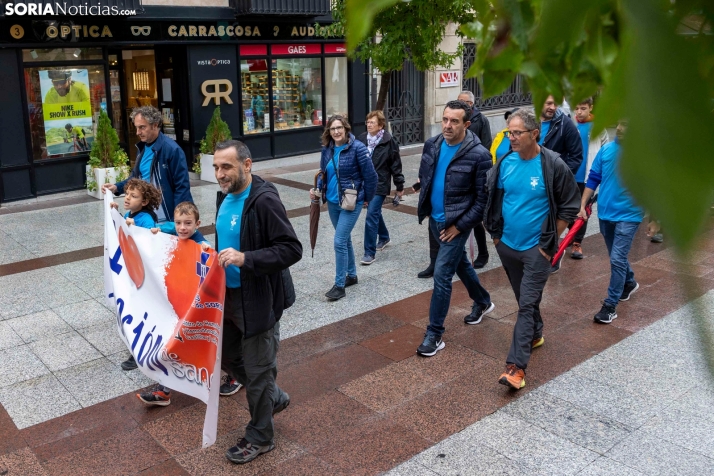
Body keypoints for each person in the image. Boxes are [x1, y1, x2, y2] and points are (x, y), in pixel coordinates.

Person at [213, 140, 302, 464]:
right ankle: (272, 396)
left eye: (227, 167)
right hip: (228, 297)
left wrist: (246, 258)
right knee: (226, 357)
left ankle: (261, 436)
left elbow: (291, 248)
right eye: (216, 167)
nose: (220, 174)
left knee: (258, 370)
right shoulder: (223, 195)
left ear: (247, 165)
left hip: (259, 300)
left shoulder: (264, 200)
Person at [484, 108, 580, 390]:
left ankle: (515, 368)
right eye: (508, 133)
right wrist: (496, 238)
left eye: (516, 133)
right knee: (524, 299)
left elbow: (570, 206)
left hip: (537, 250)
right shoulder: (505, 162)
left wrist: (548, 242)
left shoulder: (552, 165)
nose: (511, 138)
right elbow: (494, 200)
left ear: (534, 134)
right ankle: (536, 333)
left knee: (526, 305)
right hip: (508, 246)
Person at [102, 105, 193, 372]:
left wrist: (180, 225)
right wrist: (117, 188)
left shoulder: (172, 150)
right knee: (143, 287)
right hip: (147, 224)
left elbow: (182, 187)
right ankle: (142, 344)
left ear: (156, 126)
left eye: (142, 127)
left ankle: (165, 340)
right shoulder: (143, 149)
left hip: (163, 226)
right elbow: (136, 179)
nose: (138, 132)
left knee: (160, 287)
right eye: (137, 127)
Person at [416, 100, 494, 357]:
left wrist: (459, 227)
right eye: (445, 119)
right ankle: (483, 301)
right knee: (461, 264)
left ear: (467, 124)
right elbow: (426, 178)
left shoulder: (479, 154)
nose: (447, 125)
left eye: (454, 121)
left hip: (455, 225)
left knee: (442, 276)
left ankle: (434, 333)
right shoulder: (433, 144)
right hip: (435, 220)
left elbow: (482, 201)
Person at [579, 121, 643, 324]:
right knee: (617, 256)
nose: (624, 129)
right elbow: (593, 179)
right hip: (605, 213)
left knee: (616, 259)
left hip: (630, 214)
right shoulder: (606, 150)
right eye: (622, 124)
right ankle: (629, 282)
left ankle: (610, 306)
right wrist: (582, 205)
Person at [311, 115, 377, 301]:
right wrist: (317, 190)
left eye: (339, 128)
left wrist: (366, 199)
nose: (336, 132)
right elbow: (324, 174)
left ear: (346, 129)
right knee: (345, 239)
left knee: (339, 241)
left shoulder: (358, 148)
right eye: (333, 129)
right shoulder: (327, 149)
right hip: (332, 201)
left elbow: (371, 177)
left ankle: (339, 285)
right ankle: (352, 275)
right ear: (328, 132)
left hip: (351, 201)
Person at [539, 95, 584, 273]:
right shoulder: (528, 120)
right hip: (532, 180)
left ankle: (554, 252)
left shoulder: (566, 125)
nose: (552, 107)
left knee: (552, 220)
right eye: (548, 103)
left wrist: (559, 176)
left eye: (555, 104)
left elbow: (576, 156)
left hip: (554, 183)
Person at [357, 110, 405, 265]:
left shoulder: (388, 141)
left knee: (371, 214)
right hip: (365, 183)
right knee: (375, 211)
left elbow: (395, 165)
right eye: (368, 122)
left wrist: (399, 185)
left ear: (380, 125)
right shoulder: (361, 139)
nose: (369, 125)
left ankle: (369, 253)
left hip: (380, 183)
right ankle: (384, 236)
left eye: (372, 122)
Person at [570, 97, 609, 259]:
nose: (579, 112)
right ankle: (568, 235)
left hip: (587, 178)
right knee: (566, 208)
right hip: (570, 175)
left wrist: (602, 172)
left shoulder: (598, 128)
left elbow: (605, 149)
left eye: (583, 108)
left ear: (591, 108)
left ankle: (577, 243)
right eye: (577, 108)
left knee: (582, 210)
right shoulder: (570, 125)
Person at [458, 91, 492, 268]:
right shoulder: (456, 119)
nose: (461, 104)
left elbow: (486, 147)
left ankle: (483, 253)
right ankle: (459, 251)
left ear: (471, 104)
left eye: (464, 102)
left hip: (475, 172)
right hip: (459, 174)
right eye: (458, 101)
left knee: (475, 217)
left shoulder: (481, 120)